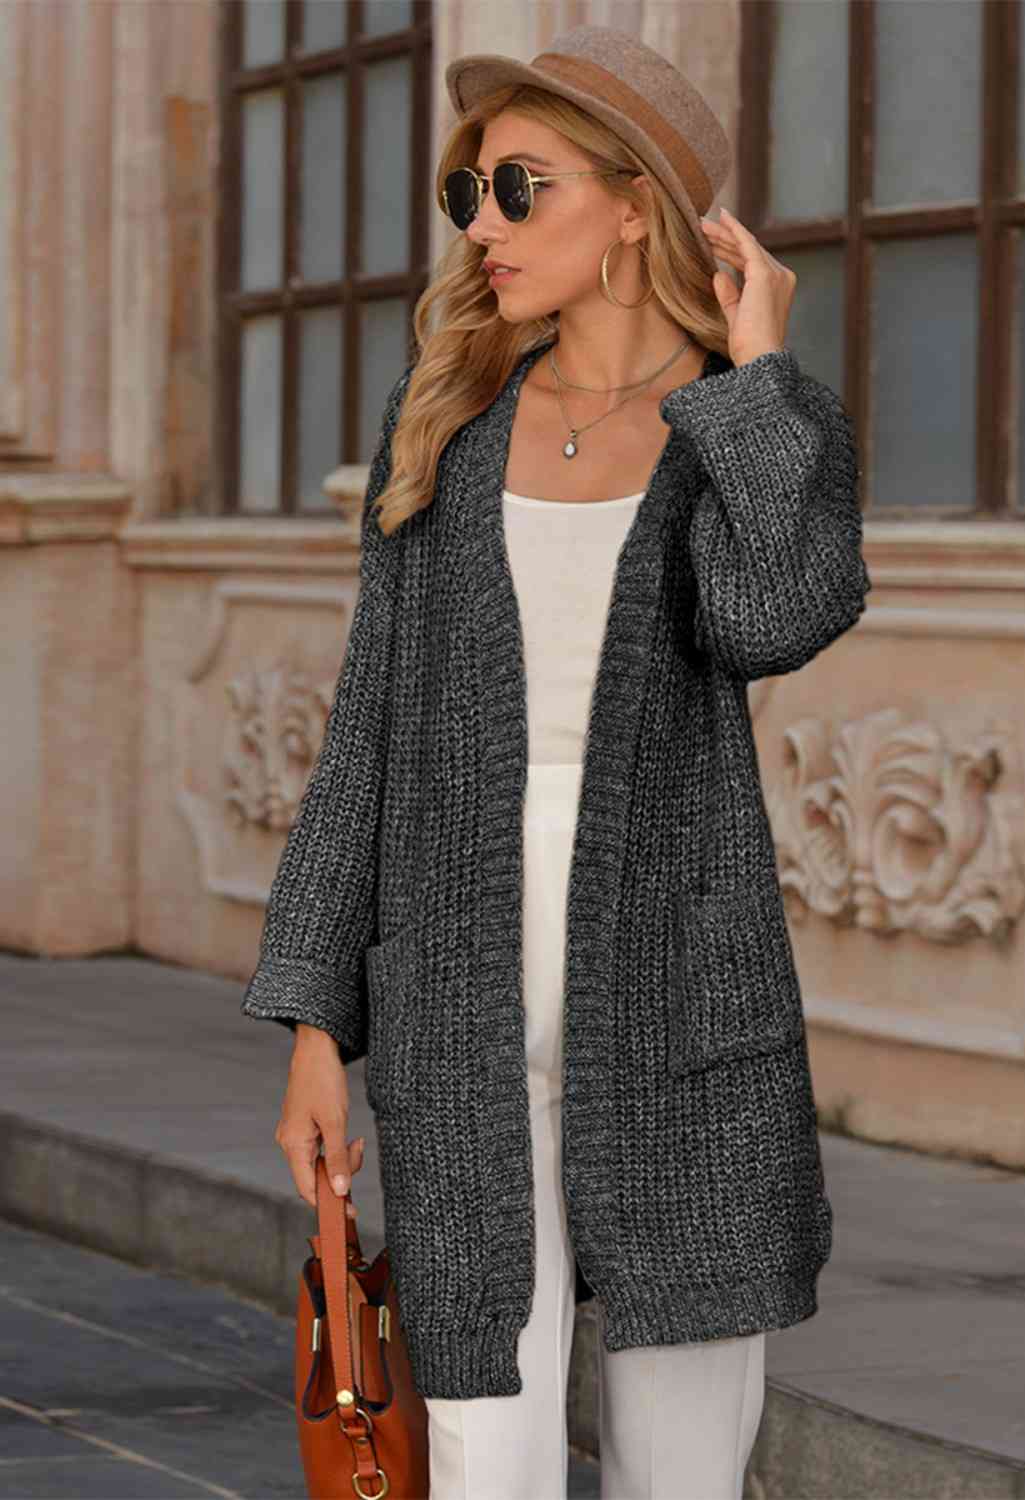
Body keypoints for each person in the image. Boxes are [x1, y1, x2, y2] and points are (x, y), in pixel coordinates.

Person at [243, 22, 870, 1500]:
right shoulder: (450, 423)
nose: (482, 224)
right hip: (453, 983)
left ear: (634, 206)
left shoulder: (744, 427)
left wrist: (757, 373)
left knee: (682, 1459)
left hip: (678, 990)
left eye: (519, 188)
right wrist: (316, 1022)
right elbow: (369, 735)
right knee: (480, 1448)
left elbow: (777, 617)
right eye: (467, 191)